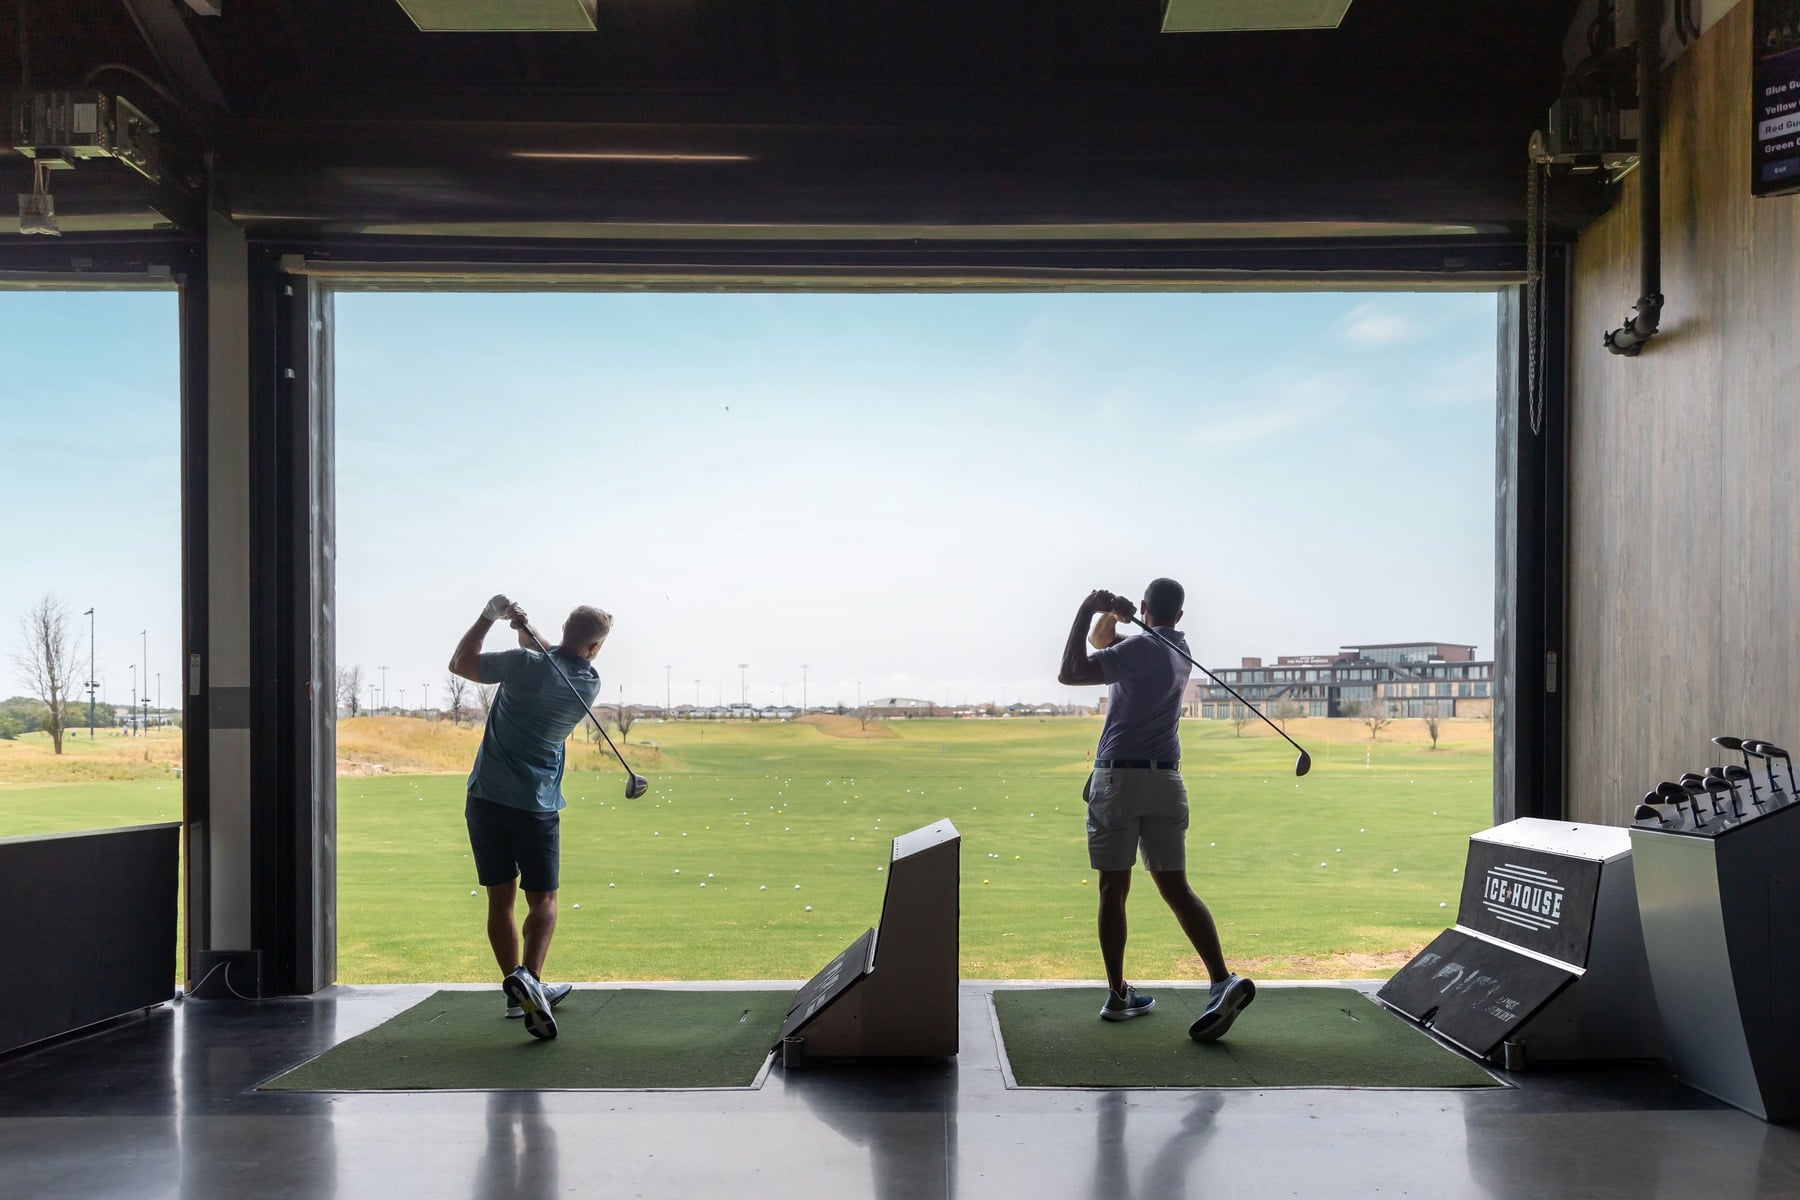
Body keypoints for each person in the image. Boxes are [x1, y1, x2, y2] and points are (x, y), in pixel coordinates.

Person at [1057, 579, 1255, 1042]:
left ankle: (1118, 995)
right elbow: (1102, 642)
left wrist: (1090, 605)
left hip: (1120, 780)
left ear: (1145, 607)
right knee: (1176, 888)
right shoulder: (1176, 649)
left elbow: (1071, 670)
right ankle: (1221, 979)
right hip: (1166, 780)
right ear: (1179, 617)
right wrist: (1112, 616)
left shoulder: (1142, 651)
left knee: (1113, 888)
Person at [449, 593, 612, 1041]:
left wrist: (489, 616)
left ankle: (516, 991)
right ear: (594, 647)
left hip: (485, 800)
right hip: (536, 808)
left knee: (500, 900)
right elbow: (547, 652)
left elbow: (461, 663)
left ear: (565, 630)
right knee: (543, 902)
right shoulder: (588, 681)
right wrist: (524, 627)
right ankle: (532, 982)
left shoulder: (522, 665)